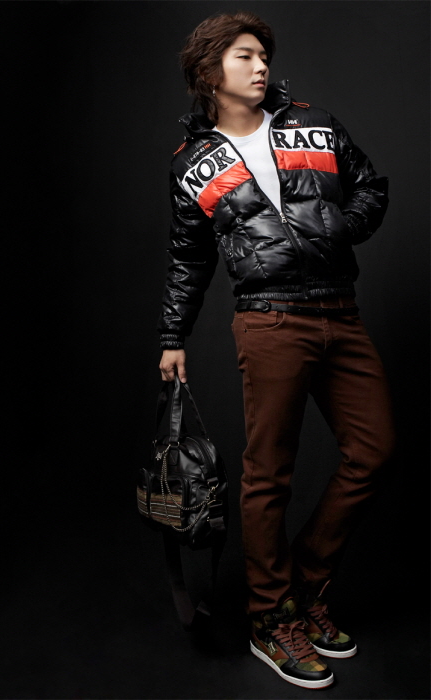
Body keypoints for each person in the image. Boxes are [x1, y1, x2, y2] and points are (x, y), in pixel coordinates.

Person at [157, 11, 395, 690]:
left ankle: (305, 585)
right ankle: (270, 619)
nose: (261, 65)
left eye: (264, 54)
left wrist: (339, 226)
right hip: (269, 322)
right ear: (210, 72)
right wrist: (172, 336)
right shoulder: (192, 164)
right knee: (270, 475)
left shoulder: (313, 124)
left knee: (374, 449)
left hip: (340, 311)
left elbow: (372, 187)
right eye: (244, 55)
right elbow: (188, 258)